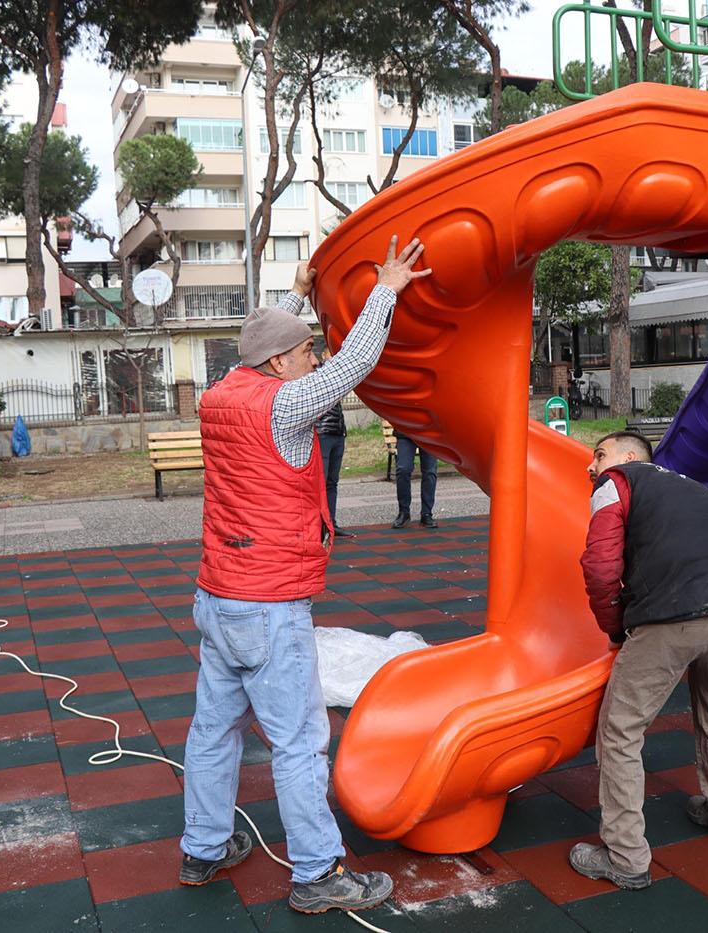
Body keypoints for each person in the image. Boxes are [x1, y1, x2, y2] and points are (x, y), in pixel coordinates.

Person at [180, 236, 430, 915]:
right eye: (305, 351)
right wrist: (387, 289)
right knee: (298, 742)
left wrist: (294, 294)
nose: (314, 358)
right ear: (280, 362)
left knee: (213, 731)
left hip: (218, 593)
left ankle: (203, 847)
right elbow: (355, 363)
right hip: (267, 601)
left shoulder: (221, 393)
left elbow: (264, 344)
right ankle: (318, 873)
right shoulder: (285, 405)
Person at [570, 430, 708, 890]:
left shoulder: (618, 481)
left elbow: (600, 566)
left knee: (620, 730)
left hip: (674, 613)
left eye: (599, 455)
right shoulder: (693, 488)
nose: (592, 467)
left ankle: (625, 856)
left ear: (629, 456)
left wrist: (616, 627)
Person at [314, 374, 354, 538]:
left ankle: (331, 523)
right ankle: (319, 526)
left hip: (337, 432)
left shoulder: (335, 375)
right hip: (322, 433)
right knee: (321, 482)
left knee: (332, 482)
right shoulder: (316, 373)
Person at [391, 429, 437, 528]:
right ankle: (404, 512)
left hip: (429, 433)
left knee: (430, 472)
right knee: (403, 470)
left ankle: (427, 514)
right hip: (405, 433)